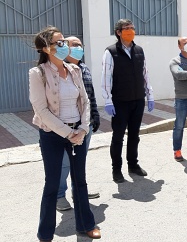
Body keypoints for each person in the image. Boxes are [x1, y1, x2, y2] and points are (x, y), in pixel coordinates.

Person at [29, 26, 101, 241]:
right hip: (52, 134)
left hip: (78, 131)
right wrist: (69, 134)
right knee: (52, 183)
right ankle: (45, 233)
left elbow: (85, 101)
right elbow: (41, 110)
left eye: (64, 42)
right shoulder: (38, 73)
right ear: (46, 48)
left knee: (80, 180)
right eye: (58, 43)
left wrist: (84, 128)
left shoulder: (74, 70)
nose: (64, 46)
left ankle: (86, 224)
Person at [101, 19, 155, 183]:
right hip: (119, 102)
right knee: (118, 137)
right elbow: (106, 77)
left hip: (137, 100)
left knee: (134, 135)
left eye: (132, 28)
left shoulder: (139, 50)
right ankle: (116, 169)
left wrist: (149, 95)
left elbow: (145, 74)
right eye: (126, 28)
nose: (130, 31)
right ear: (118, 32)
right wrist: (108, 100)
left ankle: (133, 165)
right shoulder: (111, 52)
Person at [56, 36, 101, 211]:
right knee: (64, 162)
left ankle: (79, 191)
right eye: (73, 45)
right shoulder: (60, 69)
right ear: (64, 47)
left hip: (85, 124)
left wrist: (95, 115)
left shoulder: (84, 68)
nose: (78, 47)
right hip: (66, 125)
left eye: (80, 45)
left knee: (79, 161)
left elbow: (90, 95)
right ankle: (60, 196)